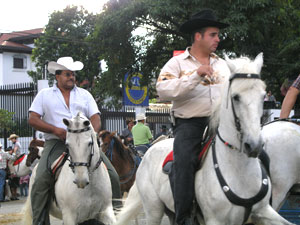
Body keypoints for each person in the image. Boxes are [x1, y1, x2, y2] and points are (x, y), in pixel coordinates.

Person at [156, 9, 230, 225]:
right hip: (191, 124)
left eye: (218, 35)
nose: (218, 39)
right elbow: (163, 90)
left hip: (222, 122)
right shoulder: (177, 64)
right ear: (198, 36)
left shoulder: (222, 65)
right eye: (213, 35)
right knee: (185, 161)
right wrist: (195, 76)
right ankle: (184, 217)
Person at [28, 56, 122, 225]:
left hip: (84, 142)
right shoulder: (45, 95)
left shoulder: (85, 95)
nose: (72, 77)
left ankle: (115, 213)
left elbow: (95, 117)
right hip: (57, 143)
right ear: (57, 76)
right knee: (41, 178)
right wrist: (56, 130)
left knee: (113, 175)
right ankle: (39, 221)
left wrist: (91, 134)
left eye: (73, 74)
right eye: (67, 74)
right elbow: (33, 119)